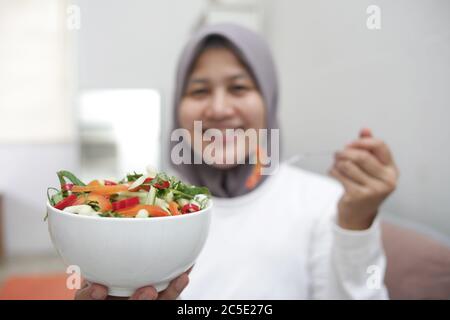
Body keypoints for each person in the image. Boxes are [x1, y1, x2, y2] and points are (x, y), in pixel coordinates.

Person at [76, 23, 399, 300]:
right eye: (200, 91)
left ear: (268, 101)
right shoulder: (143, 207)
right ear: (178, 107)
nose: (218, 109)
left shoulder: (324, 203)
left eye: (239, 87)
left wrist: (356, 223)